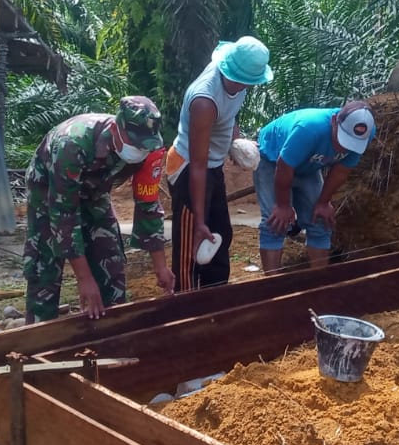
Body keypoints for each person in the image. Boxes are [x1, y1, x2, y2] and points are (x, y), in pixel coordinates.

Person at [22, 96, 175, 322]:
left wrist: (161, 266)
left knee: (110, 262)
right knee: (45, 269)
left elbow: (148, 203)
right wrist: (84, 279)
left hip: (95, 194)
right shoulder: (71, 144)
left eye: (144, 144)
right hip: (48, 194)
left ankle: (109, 336)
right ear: (115, 129)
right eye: (134, 142)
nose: (139, 150)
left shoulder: (150, 148)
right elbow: (64, 216)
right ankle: (36, 337)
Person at [165, 36, 273, 290]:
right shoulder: (204, 100)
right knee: (191, 244)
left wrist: (233, 144)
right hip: (188, 167)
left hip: (210, 164)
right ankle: (185, 307)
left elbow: (228, 116)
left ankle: (215, 297)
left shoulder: (237, 81)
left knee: (221, 232)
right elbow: (198, 165)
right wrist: (199, 219)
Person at [254, 100, 376, 274]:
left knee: (319, 220)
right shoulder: (309, 128)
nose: (344, 147)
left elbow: (341, 170)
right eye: (342, 138)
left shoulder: (366, 132)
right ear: (334, 121)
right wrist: (283, 205)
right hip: (272, 159)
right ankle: (272, 287)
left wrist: (323, 202)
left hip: (309, 164)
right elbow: (284, 166)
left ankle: (318, 284)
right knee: (275, 222)